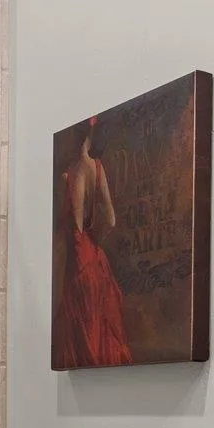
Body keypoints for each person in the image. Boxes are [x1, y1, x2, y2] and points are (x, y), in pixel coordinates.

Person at [56, 116, 132, 367]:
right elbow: (109, 219)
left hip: (77, 267)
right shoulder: (97, 168)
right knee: (99, 330)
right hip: (96, 262)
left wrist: (81, 251)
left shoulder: (68, 175)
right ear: (90, 134)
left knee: (82, 336)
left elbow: (70, 231)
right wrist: (94, 244)